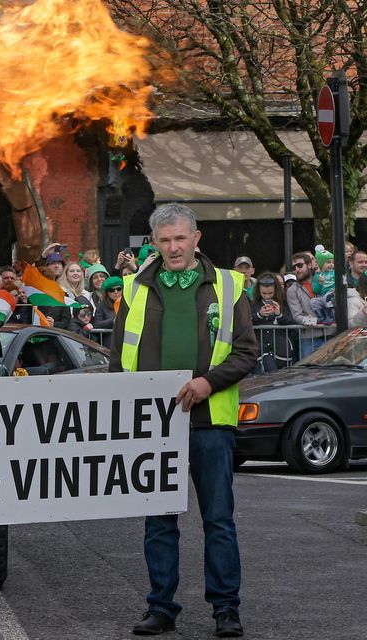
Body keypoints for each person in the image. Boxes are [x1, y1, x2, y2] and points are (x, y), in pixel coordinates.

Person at [109, 203, 257, 638]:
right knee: (159, 523)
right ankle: (161, 607)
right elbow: (119, 360)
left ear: (197, 238)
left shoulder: (231, 286)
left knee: (218, 520)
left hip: (211, 421)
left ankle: (226, 610)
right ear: (153, 243)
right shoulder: (133, 288)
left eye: (180, 238)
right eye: (164, 240)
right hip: (155, 424)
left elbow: (246, 351)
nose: (173, 247)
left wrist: (208, 383)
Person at [286, 252, 333, 358]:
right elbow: (297, 315)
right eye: (294, 267)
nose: (297, 270)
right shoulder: (292, 290)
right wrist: (313, 321)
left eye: (300, 265)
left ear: (309, 265)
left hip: (332, 335)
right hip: (309, 338)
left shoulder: (326, 280)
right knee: (311, 374)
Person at [251, 273, 294, 372]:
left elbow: (292, 322)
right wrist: (259, 314)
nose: (267, 297)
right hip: (261, 348)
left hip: (281, 347)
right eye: (264, 293)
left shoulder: (284, 302)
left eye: (270, 293)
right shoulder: (255, 304)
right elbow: (247, 321)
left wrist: (279, 314)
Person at [311, 250, 335, 324]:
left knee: (327, 297)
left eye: (333, 262)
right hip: (322, 296)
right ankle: (321, 317)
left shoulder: (335, 273)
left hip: (332, 294)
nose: (331, 264)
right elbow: (315, 290)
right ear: (321, 264)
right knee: (313, 301)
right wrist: (319, 284)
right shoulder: (317, 275)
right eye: (328, 262)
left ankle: (330, 316)